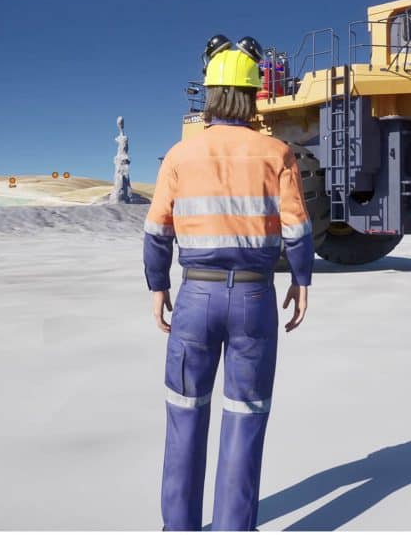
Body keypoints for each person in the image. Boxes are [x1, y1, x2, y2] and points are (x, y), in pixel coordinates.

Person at [143, 43, 314, 531]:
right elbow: (297, 228)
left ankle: (179, 527)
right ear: (254, 94)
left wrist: (158, 285)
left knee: (184, 417)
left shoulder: (179, 154)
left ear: (212, 94)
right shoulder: (276, 152)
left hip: (195, 297)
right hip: (254, 300)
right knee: (244, 418)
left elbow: (157, 230)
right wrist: (301, 280)